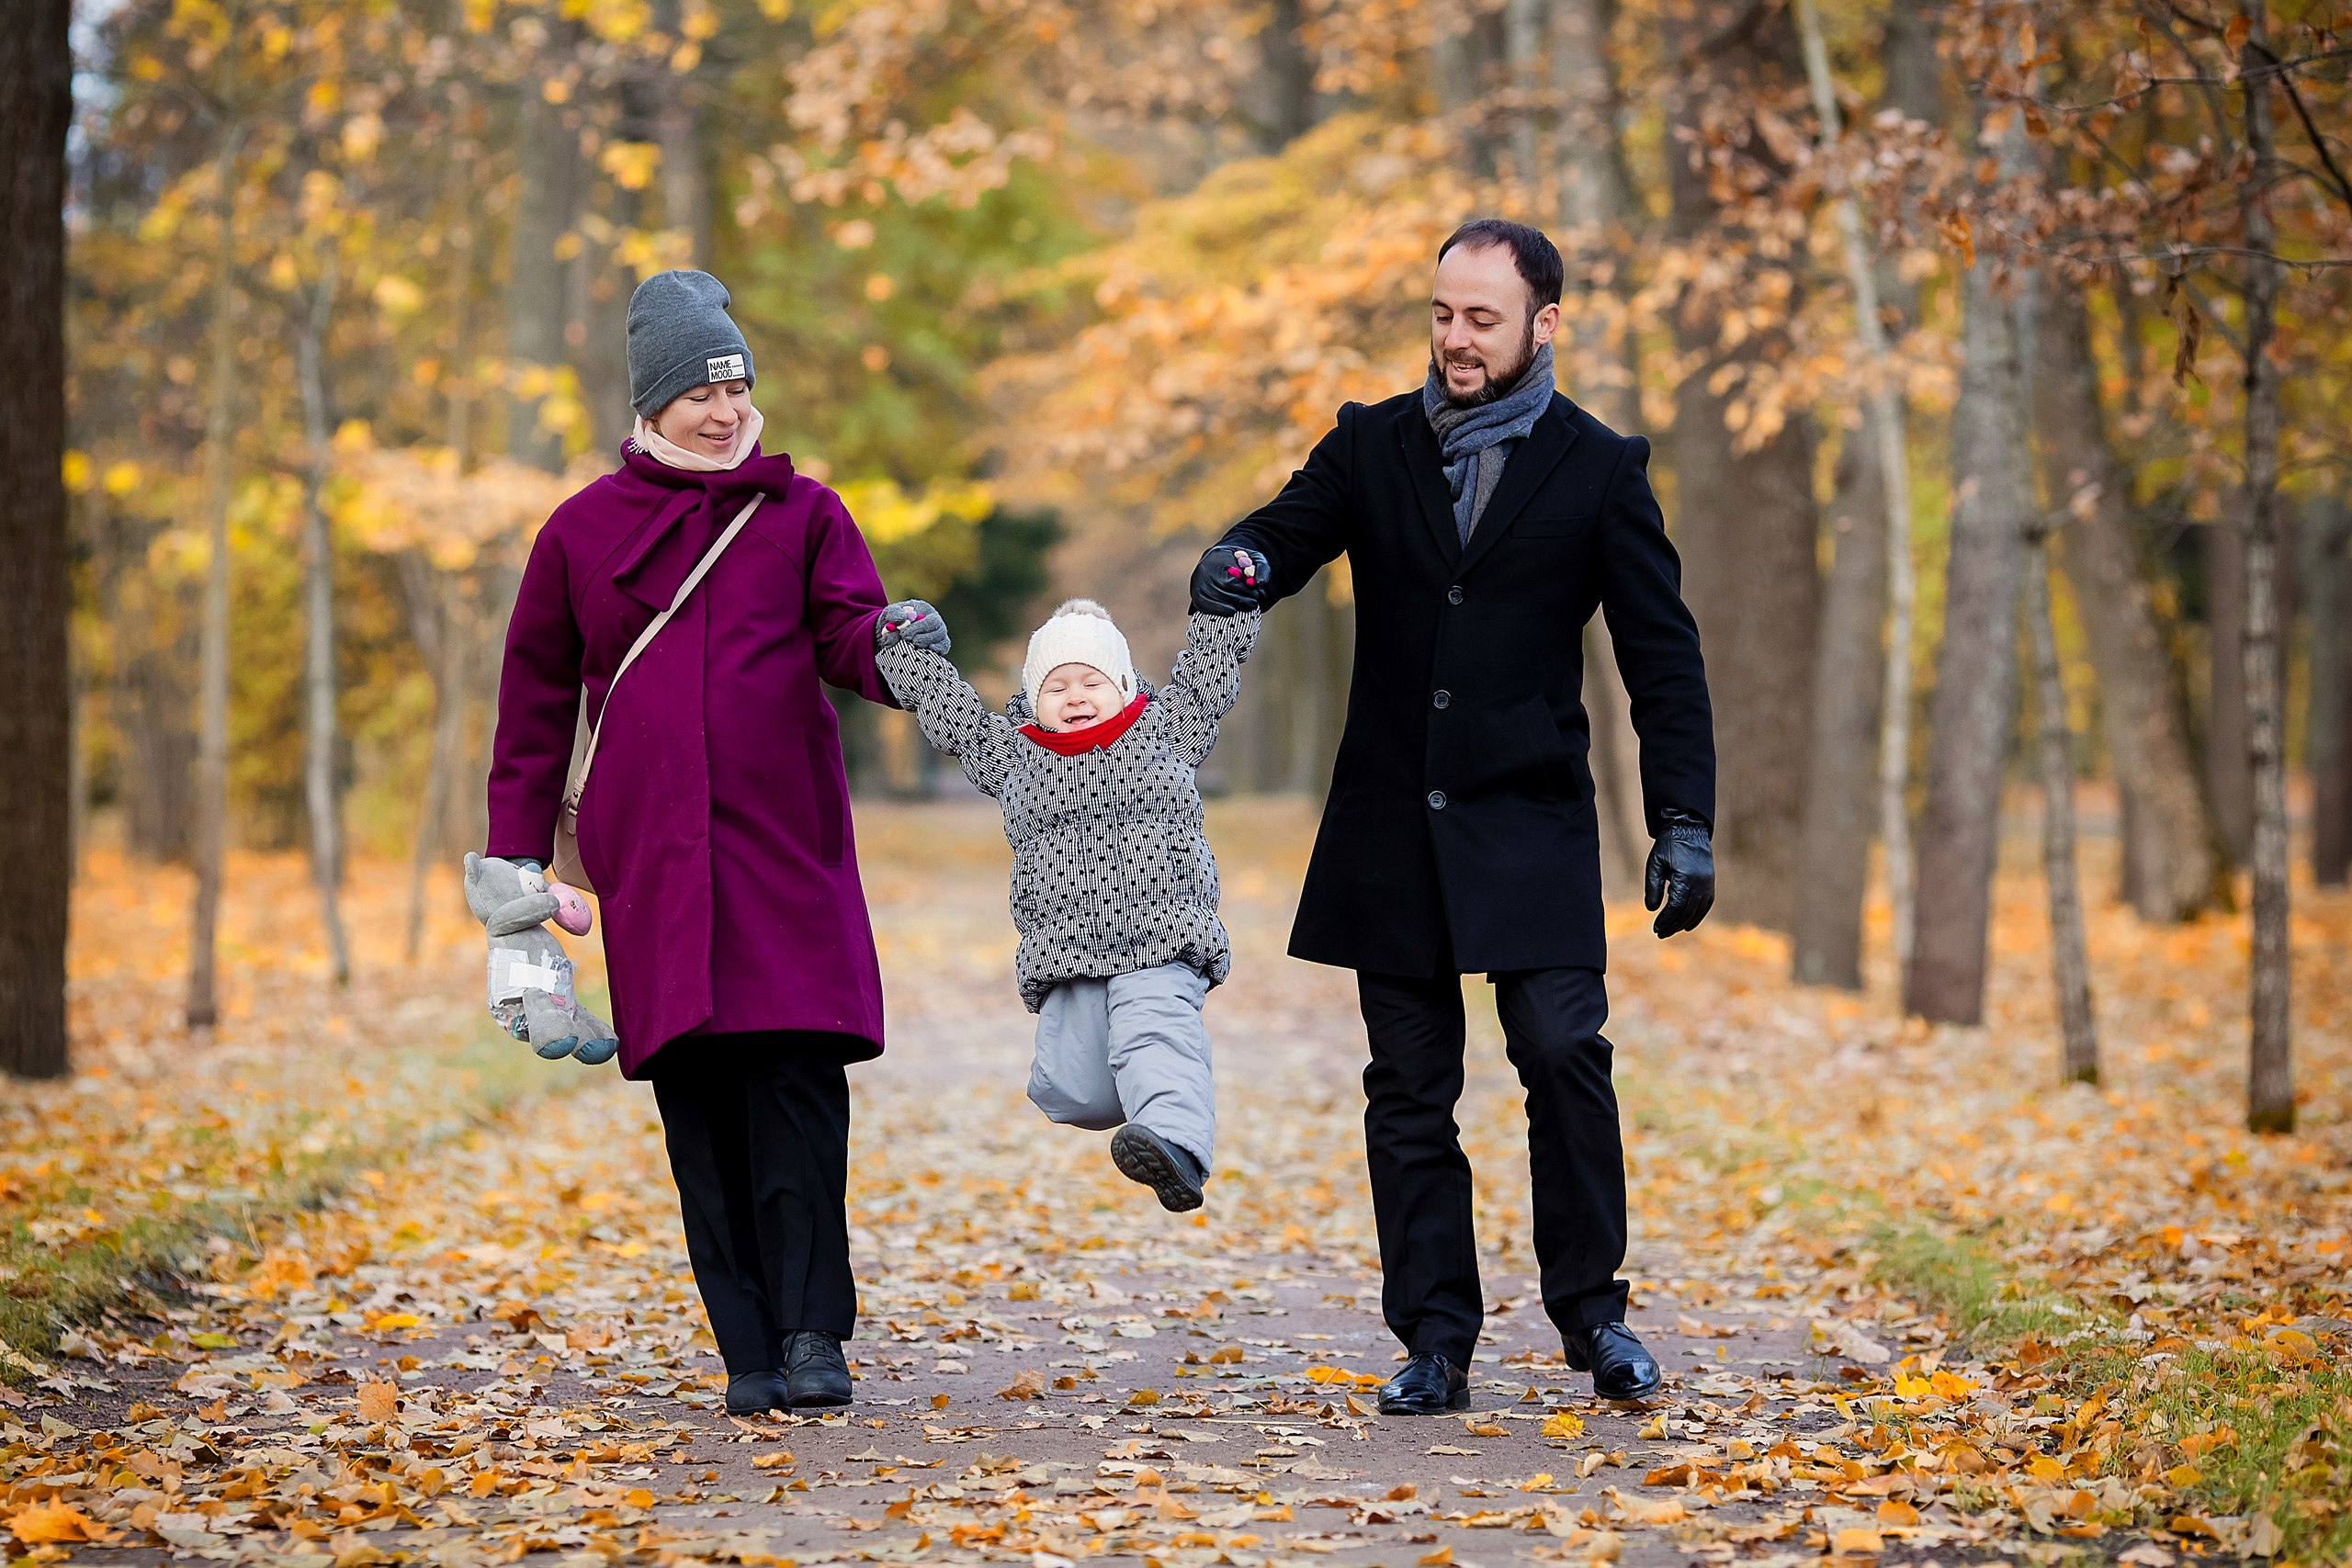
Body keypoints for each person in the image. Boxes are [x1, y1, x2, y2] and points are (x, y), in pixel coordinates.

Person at [1199, 219, 1717, 1412]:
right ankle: (1435, 1335)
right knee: (1410, 1085)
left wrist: (1682, 818)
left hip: (1529, 816)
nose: (1455, 338)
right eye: (1441, 313)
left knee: (1562, 1051)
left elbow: (1663, 662)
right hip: (1392, 825)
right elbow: (1286, 532)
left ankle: (1596, 1316)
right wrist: (1239, 565)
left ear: (1543, 324)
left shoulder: (1598, 466)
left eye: (1481, 318)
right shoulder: (1371, 442)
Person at [483, 269, 907, 1416]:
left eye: (738, 386)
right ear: (653, 402)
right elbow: (532, 709)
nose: (725, 410)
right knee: (702, 1105)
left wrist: (900, 646)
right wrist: (515, 866)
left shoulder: (804, 513)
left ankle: (817, 1334)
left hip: (785, 854)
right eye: (701, 392)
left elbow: (849, 634)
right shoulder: (578, 534)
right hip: (659, 864)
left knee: (797, 1089)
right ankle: (749, 1352)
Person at [870, 592, 1262, 1213]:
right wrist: (908, 653)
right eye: (1056, 686)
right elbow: (957, 721)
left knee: (1154, 1038)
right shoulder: (1018, 756)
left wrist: (1226, 604)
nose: (1076, 696)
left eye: (1091, 681)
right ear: (1034, 698)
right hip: (1068, 951)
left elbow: (1210, 674)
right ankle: (1144, 1119)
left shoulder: (1165, 728)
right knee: (1075, 1091)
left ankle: (1179, 1147)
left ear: (1124, 684)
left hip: (1159, 939)